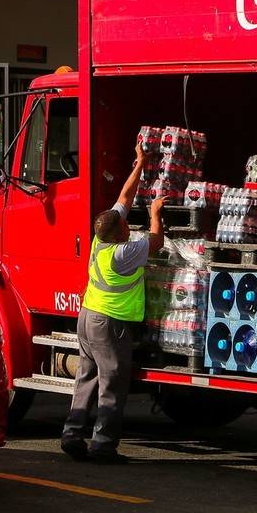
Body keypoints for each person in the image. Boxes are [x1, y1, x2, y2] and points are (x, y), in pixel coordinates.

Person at [61, 143, 166, 464]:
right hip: (110, 324)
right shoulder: (123, 254)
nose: (127, 225)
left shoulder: (100, 239)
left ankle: (72, 433)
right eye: (125, 226)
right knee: (113, 381)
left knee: (87, 377)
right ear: (119, 233)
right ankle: (104, 445)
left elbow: (124, 198)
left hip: (88, 318)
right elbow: (157, 241)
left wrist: (140, 163)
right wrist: (155, 216)